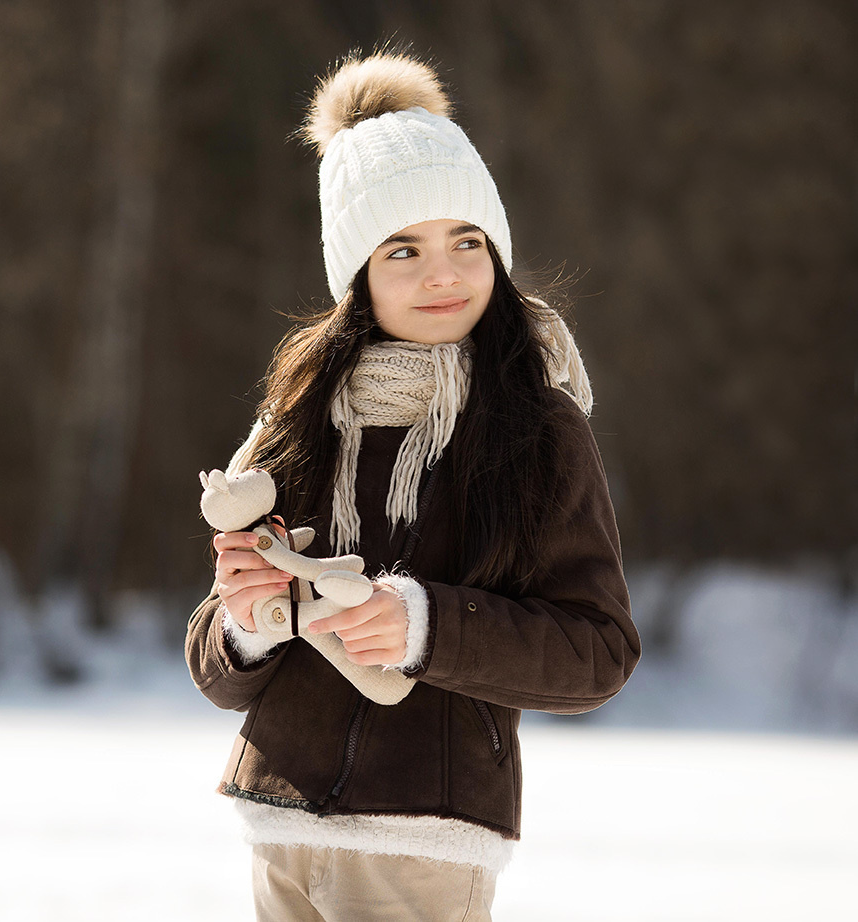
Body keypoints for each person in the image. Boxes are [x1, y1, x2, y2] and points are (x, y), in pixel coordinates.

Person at [184, 50, 642, 921]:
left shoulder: (540, 428)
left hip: (423, 840)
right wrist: (247, 622)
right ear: (356, 273)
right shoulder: (298, 416)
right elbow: (214, 663)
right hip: (278, 823)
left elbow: (598, 654)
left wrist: (425, 626)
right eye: (404, 249)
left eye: (467, 243)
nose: (444, 274)